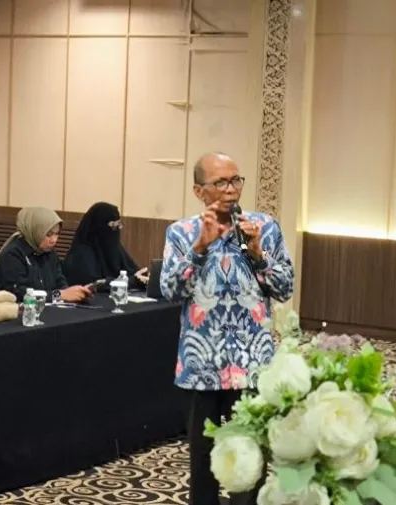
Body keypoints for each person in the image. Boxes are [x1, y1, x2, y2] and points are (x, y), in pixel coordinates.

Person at [160, 152, 294, 505]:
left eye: (236, 180)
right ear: (198, 190)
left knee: (249, 467)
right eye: (220, 182)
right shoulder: (181, 233)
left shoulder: (264, 227)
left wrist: (258, 253)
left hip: (253, 366)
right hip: (200, 367)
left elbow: (285, 289)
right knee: (204, 465)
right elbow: (170, 291)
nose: (231, 189)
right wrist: (200, 248)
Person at [0, 206, 92, 303]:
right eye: (48, 234)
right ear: (35, 231)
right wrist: (59, 295)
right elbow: (20, 294)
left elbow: (60, 282)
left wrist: (75, 293)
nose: (54, 240)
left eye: (57, 234)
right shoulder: (12, 254)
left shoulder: (49, 253)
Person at [62, 202, 149, 290]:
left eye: (118, 225)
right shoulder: (81, 254)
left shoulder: (115, 247)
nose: (115, 231)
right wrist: (129, 282)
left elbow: (133, 272)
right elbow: (94, 285)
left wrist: (142, 276)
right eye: (112, 225)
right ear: (96, 227)